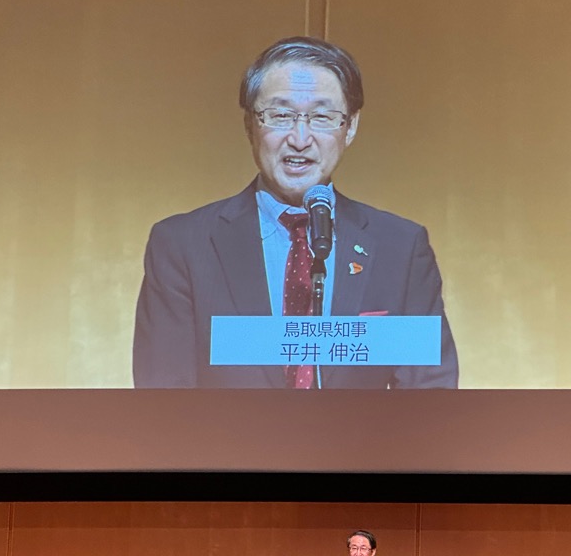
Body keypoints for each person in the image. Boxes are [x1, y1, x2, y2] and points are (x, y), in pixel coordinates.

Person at [133, 36, 458, 388]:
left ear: (350, 127)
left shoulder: (400, 248)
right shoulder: (183, 246)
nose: (300, 139)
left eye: (322, 117)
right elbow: (165, 398)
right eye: (280, 115)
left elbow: (430, 396)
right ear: (249, 125)